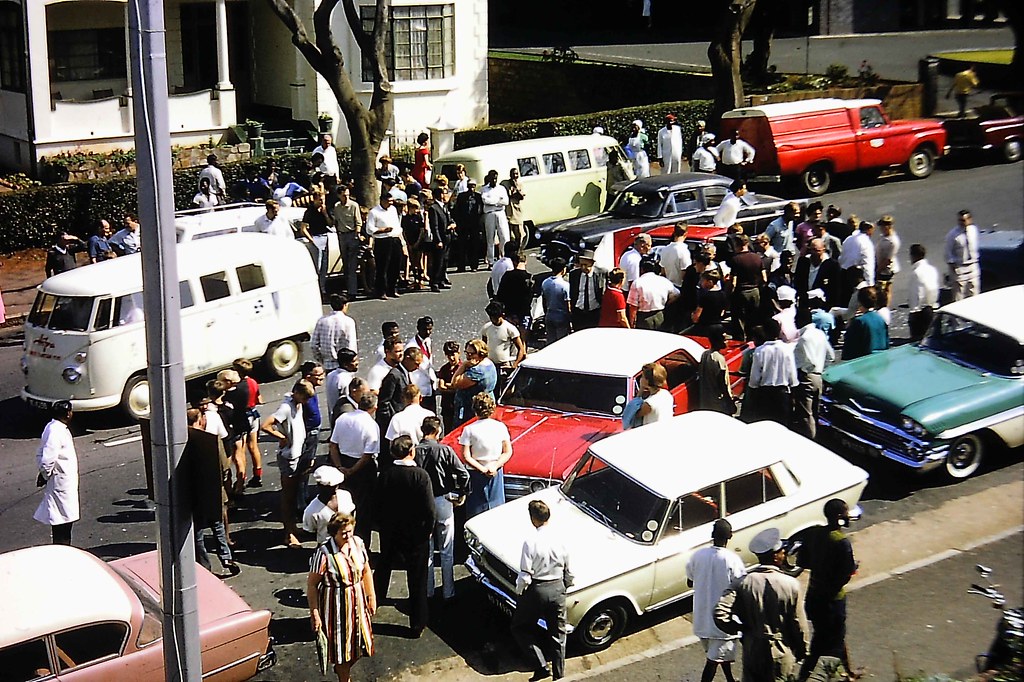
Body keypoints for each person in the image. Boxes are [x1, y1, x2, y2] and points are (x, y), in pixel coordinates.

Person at [714, 528, 806, 682]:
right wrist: (803, 650)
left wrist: (740, 629)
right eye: (783, 552)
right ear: (777, 557)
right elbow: (799, 624)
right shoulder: (791, 585)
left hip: (753, 648)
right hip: (780, 648)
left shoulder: (743, 582)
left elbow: (720, 613)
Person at [373, 436, 436, 637]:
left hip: (390, 531)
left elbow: (378, 502)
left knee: (383, 568)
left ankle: (374, 602)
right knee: (417, 578)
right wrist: (428, 529)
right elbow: (429, 509)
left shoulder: (385, 474)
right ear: (412, 451)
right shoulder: (421, 476)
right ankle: (417, 623)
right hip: (416, 534)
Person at [797, 499, 862, 682]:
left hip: (814, 597)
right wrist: (852, 568)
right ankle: (807, 675)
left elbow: (802, 562)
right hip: (833, 601)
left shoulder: (814, 534)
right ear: (840, 516)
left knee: (831, 636)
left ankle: (849, 671)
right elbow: (845, 575)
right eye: (846, 512)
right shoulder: (842, 543)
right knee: (827, 642)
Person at [307, 511, 376, 682]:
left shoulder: (358, 543)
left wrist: (371, 596)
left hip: (358, 604)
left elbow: (366, 570)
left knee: (361, 646)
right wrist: (314, 614)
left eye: (350, 531)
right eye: (343, 533)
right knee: (342, 652)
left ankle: (341, 670)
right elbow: (312, 585)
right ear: (333, 533)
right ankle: (344, 678)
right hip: (336, 609)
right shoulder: (323, 553)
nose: (347, 536)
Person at [512, 499, 573, 682]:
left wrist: (519, 592)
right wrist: (565, 587)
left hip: (537, 589)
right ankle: (559, 675)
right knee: (558, 634)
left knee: (520, 627)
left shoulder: (530, 542)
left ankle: (540, 665)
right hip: (557, 588)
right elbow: (569, 571)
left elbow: (525, 575)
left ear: (533, 519)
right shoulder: (561, 539)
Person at [414, 416, 471, 602]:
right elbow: (463, 474)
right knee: (447, 549)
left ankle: (428, 591)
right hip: (443, 500)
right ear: (437, 431)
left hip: (422, 503)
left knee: (427, 550)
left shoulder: (414, 451)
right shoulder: (445, 450)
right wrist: (462, 493)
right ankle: (449, 591)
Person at [686, 519, 746, 682]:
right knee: (714, 660)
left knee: (718, 654)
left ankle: (730, 679)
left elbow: (690, 581)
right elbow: (741, 586)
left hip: (701, 620)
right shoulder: (732, 560)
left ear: (712, 535)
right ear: (730, 536)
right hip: (722, 621)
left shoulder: (697, 555)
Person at [186, 407, 239, 577]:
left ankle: (204, 565)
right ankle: (226, 557)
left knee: (198, 532)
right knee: (218, 526)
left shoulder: (181, 440)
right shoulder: (209, 441)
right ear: (200, 420)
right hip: (213, 491)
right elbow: (223, 466)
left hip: (192, 494)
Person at [262, 379, 315, 548]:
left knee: (293, 494)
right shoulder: (286, 408)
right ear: (297, 394)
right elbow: (266, 425)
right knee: (288, 496)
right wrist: (282, 438)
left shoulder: (296, 403)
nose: (306, 402)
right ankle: (289, 533)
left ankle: (292, 527)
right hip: (289, 457)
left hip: (298, 454)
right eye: (305, 398)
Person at [329, 392, 379, 544]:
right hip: (362, 469)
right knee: (364, 510)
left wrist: (339, 466)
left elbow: (333, 445)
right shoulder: (371, 425)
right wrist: (352, 470)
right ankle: (361, 544)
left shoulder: (343, 418)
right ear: (374, 408)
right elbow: (367, 455)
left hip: (343, 462)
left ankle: (341, 540)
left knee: (344, 505)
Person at [34, 400, 79, 545]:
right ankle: (62, 549)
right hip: (60, 483)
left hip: (63, 481)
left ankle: (63, 547)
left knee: (63, 519)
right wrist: (45, 474)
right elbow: (48, 458)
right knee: (62, 521)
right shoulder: (55, 431)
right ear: (67, 413)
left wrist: (43, 474)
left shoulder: (55, 427)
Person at [459, 393, 512, 518]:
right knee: (496, 512)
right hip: (496, 472)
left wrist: (482, 469)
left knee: (475, 513)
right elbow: (507, 451)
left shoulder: (469, 429)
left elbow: (466, 456)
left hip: (476, 473)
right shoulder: (500, 427)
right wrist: (494, 466)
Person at [743, 319, 798, 426]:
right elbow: (792, 374)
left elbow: (754, 379)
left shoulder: (760, 351)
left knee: (765, 425)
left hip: (765, 394)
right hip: (783, 393)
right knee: (783, 426)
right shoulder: (787, 349)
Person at [793, 309, 835, 439]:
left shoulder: (804, 339)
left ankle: (811, 440)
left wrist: (805, 370)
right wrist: (821, 368)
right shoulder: (820, 334)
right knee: (816, 412)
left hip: (807, 376)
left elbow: (809, 361)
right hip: (818, 376)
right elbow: (831, 356)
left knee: (806, 415)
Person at [303, 466, 356, 545]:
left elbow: (352, 515)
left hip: (348, 541)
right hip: (326, 546)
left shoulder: (346, 496)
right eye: (329, 487)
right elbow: (310, 532)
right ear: (319, 485)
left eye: (336, 486)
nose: (334, 489)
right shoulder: (311, 511)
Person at [451, 338, 498, 426]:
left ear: (481, 354)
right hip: (487, 402)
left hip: (472, 409)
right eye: (467, 353)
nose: (468, 356)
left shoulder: (476, 371)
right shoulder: (489, 363)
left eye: (472, 354)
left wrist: (464, 365)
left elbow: (455, 383)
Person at [481, 300, 527, 389]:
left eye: (495, 317)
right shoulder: (486, 328)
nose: (493, 320)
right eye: (491, 317)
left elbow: (521, 349)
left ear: (502, 315)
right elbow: (483, 346)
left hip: (504, 365)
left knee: (505, 388)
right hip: (490, 364)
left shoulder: (510, 329)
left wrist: (515, 365)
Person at [366, 193, 403, 299]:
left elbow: (397, 225)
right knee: (383, 267)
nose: (391, 203)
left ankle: (392, 289)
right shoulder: (374, 212)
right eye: (389, 201)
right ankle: (381, 291)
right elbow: (370, 229)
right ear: (382, 200)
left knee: (395, 265)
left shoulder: (393, 210)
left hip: (394, 238)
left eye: (392, 201)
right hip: (382, 240)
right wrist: (382, 230)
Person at [730, 233, 766, 340]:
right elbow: (764, 278)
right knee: (753, 318)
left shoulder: (735, 259)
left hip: (741, 292)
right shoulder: (757, 258)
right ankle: (753, 339)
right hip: (755, 291)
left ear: (737, 245)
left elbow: (733, 282)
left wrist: (730, 294)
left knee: (739, 320)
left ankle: (740, 341)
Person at [627, 257, 679, 330]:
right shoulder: (664, 281)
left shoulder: (637, 283)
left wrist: (632, 324)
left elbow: (633, 306)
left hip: (643, 318)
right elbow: (676, 294)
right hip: (660, 316)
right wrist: (667, 303)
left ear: (641, 269)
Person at [311, 293, 357, 372]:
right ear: (344, 305)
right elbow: (351, 345)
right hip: (345, 365)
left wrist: (321, 359)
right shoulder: (348, 322)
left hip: (328, 364)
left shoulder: (322, 321)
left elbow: (314, 345)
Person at [332, 186, 364, 299]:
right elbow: (335, 221)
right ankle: (348, 288)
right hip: (342, 235)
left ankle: (353, 291)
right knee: (345, 264)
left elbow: (358, 221)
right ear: (339, 195)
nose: (346, 197)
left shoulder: (354, 205)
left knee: (352, 264)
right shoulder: (337, 207)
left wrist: (357, 234)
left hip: (352, 234)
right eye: (344, 195)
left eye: (347, 195)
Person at [795, 238, 843, 310]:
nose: (815, 253)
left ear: (823, 250)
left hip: (823, 305)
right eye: (813, 250)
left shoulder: (832, 265)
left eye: (818, 251)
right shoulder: (803, 262)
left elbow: (836, 287)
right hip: (804, 303)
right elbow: (797, 281)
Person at [842, 287, 889, 360]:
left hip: (865, 361)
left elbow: (850, 347)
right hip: (881, 359)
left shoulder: (859, 321)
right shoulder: (880, 319)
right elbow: (886, 342)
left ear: (860, 302)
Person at [944, 209, 980, 301]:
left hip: (973, 266)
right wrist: (954, 268)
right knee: (959, 296)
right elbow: (948, 253)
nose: (963, 222)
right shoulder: (952, 235)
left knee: (974, 292)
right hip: (960, 267)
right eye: (960, 220)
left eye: (965, 220)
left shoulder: (973, 230)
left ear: (970, 219)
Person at [907, 244, 940, 341]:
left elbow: (916, 294)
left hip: (920, 311)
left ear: (914, 256)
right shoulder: (932, 269)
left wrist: (913, 311)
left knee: (917, 339)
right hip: (931, 306)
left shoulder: (916, 272)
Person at [697, 332, 736, 415]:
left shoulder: (705, 354)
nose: (727, 342)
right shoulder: (719, 358)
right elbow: (721, 382)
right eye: (724, 340)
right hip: (718, 402)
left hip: (706, 399)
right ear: (718, 341)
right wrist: (729, 401)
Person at [838, 221, 876, 303]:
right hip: (857, 277)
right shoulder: (866, 243)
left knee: (844, 301)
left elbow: (841, 257)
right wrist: (870, 284)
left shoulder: (849, 239)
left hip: (844, 274)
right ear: (869, 229)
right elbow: (867, 264)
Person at [568, 249, 606, 331]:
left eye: (586, 265)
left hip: (594, 313)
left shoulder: (601, 274)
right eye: (581, 265)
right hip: (579, 313)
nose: (583, 267)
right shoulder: (574, 274)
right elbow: (572, 293)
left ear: (592, 263)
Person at [480, 170, 512, 266]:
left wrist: (494, 202)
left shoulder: (501, 188)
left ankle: (503, 257)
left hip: (500, 212)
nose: (494, 180)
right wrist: (498, 201)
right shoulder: (484, 189)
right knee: (490, 238)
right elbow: (485, 200)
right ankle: (491, 261)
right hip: (490, 213)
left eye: (495, 178)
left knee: (504, 236)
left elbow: (506, 201)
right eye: (492, 178)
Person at [453, 179, 485, 271]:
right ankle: (461, 266)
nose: (471, 188)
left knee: (474, 245)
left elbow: (481, 210)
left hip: (474, 224)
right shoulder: (461, 196)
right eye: (470, 186)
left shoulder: (478, 197)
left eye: (473, 186)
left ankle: (474, 265)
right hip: (463, 224)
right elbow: (457, 210)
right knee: (462, 245)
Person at [541, 257, 572, 344]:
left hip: (549, 315)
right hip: (562, 317)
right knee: (561, 342)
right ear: (563, 270)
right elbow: (568, 304)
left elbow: (544, 301)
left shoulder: (545, 282)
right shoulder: (565, 285)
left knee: (550, 342)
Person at [637, 362, 674, 426]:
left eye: (642, 376)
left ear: (647, 381)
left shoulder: (649, 403)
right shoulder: (666, 394)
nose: (641, 379)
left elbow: (633, 414)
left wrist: (641, 389)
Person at [436, 341, 462, 431]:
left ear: (459, 353)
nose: (451, 358)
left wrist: (451, 386)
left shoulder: (463, 368)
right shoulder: (444, 368)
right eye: (448, 355)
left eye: (453, 354)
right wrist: (453, 386)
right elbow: (441, 386)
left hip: (459, 405)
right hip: (447, 406)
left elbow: (460, 386)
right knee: (447, 430)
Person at [874, 215, 900, 303]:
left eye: (882, 226)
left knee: (886, 290)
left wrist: (877, 271)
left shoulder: (893, 241)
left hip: (886, 269)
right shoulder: (883, 237)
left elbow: (888, 259)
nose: (880, 228)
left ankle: (885, 307)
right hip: (879, 265)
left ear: (888, 226)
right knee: (881, 289)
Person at [501, 167, 527, 249]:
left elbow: (521, 197)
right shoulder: (504, 184)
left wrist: (516, 187)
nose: (515, 176)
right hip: (507, 211)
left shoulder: (520, 184)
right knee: (509, 233)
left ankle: (519, 248)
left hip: (516, 211)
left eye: (516, 174)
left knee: (519, 232)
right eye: (513, 174)